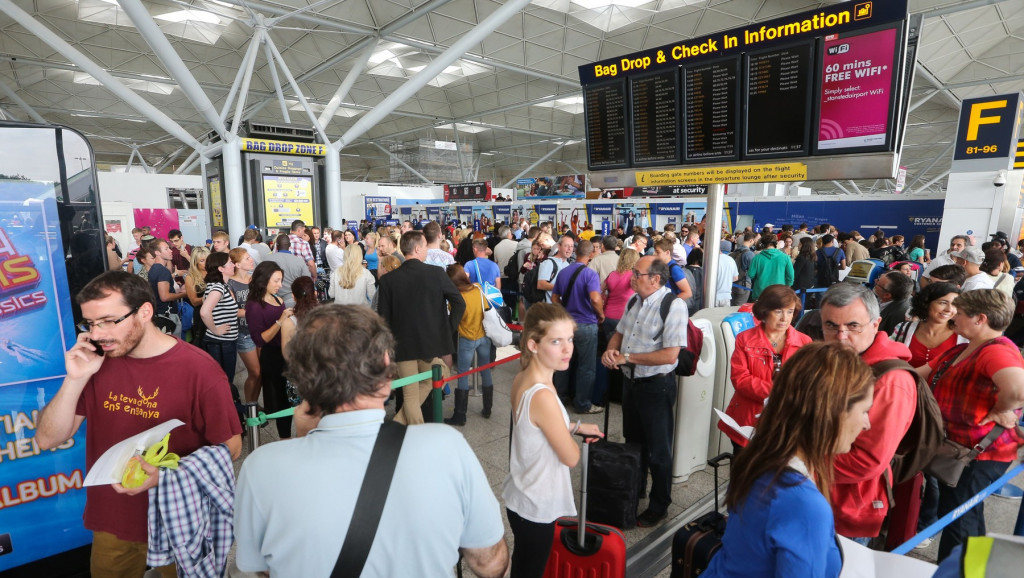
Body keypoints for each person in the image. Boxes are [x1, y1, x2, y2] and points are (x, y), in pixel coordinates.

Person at [234, 305, 509, 577]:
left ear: (303, 383)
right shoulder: (447, 447)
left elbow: (265, 569)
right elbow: (490, 563)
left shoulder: (260, 469)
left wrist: (304, 437)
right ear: (386, 376)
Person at [35, 271, 241, 577]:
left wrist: (164, 474)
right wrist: (74, 379)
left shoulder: (200, 370)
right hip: (114, 518)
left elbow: (232, 446)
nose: (98, 333)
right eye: (90, 324)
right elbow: (46, 439)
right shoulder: (97, 363)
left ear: (145, 311)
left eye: (107, 320)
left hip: (180, 516)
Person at [704, 343, 874, 578]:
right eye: (864, 411)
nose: (867, 424)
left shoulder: (760, 458)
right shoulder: (804, 505)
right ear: (832, 413)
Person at [912, 289, 1024, 561]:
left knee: (959, 521)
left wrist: (1002, 408)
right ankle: (973, 567)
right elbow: (917, 375)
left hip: (979, 454)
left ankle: (957, 570)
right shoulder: (963, 348)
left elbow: (1019, 390)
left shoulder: (994, 352)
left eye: (960, 314)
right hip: (961, 449)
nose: (953, 318)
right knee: (964, 515)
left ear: (980, 319)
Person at [503, 303, 604, 577]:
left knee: (524, 565)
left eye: (570, 339)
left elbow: (534, 427)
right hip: (536, 503)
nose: (567, 348)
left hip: (522, 493)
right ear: (534, 345)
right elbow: (571, 457)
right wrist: (571, 436)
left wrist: (576, 426)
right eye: (556, 341)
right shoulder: (543, 395)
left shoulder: (524, 377)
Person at [819, 283, 916, 543]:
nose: (840, 336)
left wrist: (799, 461)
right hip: (819, 495)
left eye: (853, 326)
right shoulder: (839, 359)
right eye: (831, 326)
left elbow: (867, 461)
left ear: (876, 324)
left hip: (848, 508)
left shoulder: (891, 381)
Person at [601, 257, 687, 527]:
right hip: (631, 383)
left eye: (637, 273)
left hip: (656, 386)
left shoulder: (673, 306)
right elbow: (619, 332)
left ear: (655, 279)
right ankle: (634, 488)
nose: (631, 278)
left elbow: (670, 354)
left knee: (659, 450)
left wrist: (627, 358)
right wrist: (611, 349)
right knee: (633, 442)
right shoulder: (633, 301)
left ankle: (659, 504)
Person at [377, 231, 465, 425]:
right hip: (430, 344)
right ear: (417, 249)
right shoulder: (436, 274)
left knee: (415, 393)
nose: (426, 250)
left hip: (402, 348)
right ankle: (413, 435)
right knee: (424, 387)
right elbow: (459, 303)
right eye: (425, 246)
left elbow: (382, 321)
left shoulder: (387, 281)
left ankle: (395, 427)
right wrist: (446, 331)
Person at [721, 285, 812, 452]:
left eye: (790, 311)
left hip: (786, 422)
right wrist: (779, 391)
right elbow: (740, 379)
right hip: (748, 420)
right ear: (764, 311)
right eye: (778, 311)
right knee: (743, 473)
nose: (785, 318)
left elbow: (807, 383)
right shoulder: (745, 339)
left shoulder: (805, 342)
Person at [551, 239, 605, 414]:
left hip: (566, 325)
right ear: (591, 255)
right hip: (587, 325)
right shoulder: (590, 275)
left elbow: (554, 298)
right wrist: (601, 314)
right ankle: (582, 404)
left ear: (576, 252)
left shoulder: (564, 272)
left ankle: (559, 399)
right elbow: (596, 298)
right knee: (586, 367)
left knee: (563, 363)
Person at [246, 262, 295, 440]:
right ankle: (285, 438)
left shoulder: (276, 298)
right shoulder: (254, 305)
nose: (280, 285)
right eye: (276, 280)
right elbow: (259, 339)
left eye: (280, 280)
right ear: (264, 280)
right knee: (282, 401)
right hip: (272, 357)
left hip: (285, 353)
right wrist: (281, 321)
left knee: (290, 397)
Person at [444, 264, 495, 425]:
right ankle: (488, 409)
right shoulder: (478, 288)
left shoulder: (457, 298)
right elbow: (486, 307)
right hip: (483, 336)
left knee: (463, 374)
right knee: (485, 369)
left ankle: (460, 415)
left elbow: (454, 317)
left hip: (467, 338)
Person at [890, 282, 961, 366]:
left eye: (954, 304)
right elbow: (887, 358)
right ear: (926, 303)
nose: (949, 309)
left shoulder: (964, 336)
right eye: (943, 303)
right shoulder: (903, 329)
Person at [199, 252, 241, 395]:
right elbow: (204, 312)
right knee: (224, 383)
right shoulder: (218, 287)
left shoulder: (217, 285)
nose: (233, 265)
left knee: (222, 382)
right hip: (221, 342)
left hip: (222, 341)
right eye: (230, 262)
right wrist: (216, 330)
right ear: (221, 268)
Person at [228, 248, 261, 404]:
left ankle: (254, 404)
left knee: (261, 372)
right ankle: (250, 405)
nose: (251, 260)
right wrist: (253, 311)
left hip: (260, 329)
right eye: (247, 259)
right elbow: (233, 311)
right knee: (255, 372)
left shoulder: (254, 280)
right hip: (244, 332)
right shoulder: (230, 283)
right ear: (237, 264)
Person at [263, 234, 311, 307]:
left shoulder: (267, 259)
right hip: (292, 299)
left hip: (271, 300)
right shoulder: (299, 261)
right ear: (290, 245)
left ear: (277, 245)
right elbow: (307, 280)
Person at [601, 248, 638, 341]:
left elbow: (600, 290)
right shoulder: (633, 276)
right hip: (625, 317)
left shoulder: (612, 274)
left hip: (608, 316)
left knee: (609, 348)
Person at [747, 234, 794, 300]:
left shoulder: (757, 258)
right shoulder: (785, 257)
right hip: (780, 293)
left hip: (761, 293)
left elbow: (751, 274)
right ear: (776, 244)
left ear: (763, 244)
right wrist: (786, 287)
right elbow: (790, 277)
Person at [874, 271, 915, 335]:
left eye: (878, 282)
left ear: (887, 295)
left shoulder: (899, 316)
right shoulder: (883, 296)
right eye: (879, 278)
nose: (875, 280)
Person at [183, 247, 209, 346]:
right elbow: (193, 301)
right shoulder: (191, 277)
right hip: (201, 317)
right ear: (195, 262)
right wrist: (211, 298)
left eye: (208, 259)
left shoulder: (215, 273)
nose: (206, 263)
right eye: (202, 260)